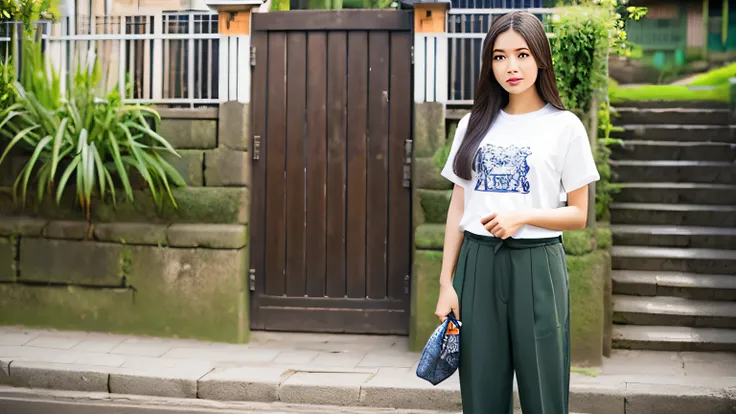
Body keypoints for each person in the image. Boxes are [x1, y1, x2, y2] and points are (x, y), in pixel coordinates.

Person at [434, 10, 600, 414]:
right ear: (489, 63)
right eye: (499, 56)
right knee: (481, 392)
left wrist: (523, 215)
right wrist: (446, 282)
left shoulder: (565, 127)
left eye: (522, 54)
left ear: (540, 58)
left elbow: (578, 214)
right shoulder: (472, 124)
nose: (511, 66)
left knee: (544, 391)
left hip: (537, 266)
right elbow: (460, 204)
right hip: (477, 265)